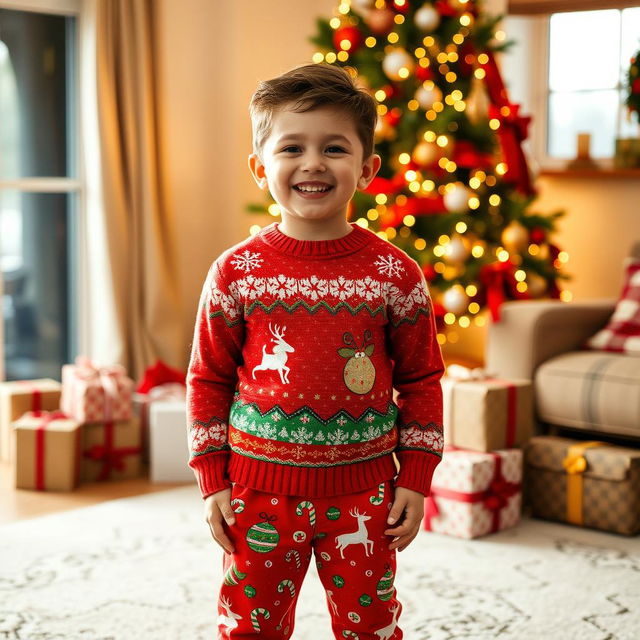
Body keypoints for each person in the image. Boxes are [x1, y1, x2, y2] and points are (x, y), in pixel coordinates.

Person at [187, 62, 445, 640]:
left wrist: (417, 476)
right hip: (258, 490)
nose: (312, 163)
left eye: (334, 147)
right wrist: (212, 477)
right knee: (251, 627)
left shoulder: (394, 273)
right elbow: (208, 378)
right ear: (260, 168)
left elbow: (423, 378)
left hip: (366, 488)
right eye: (291, 148)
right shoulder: (235, 272)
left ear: (367, 167)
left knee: (371, 626)